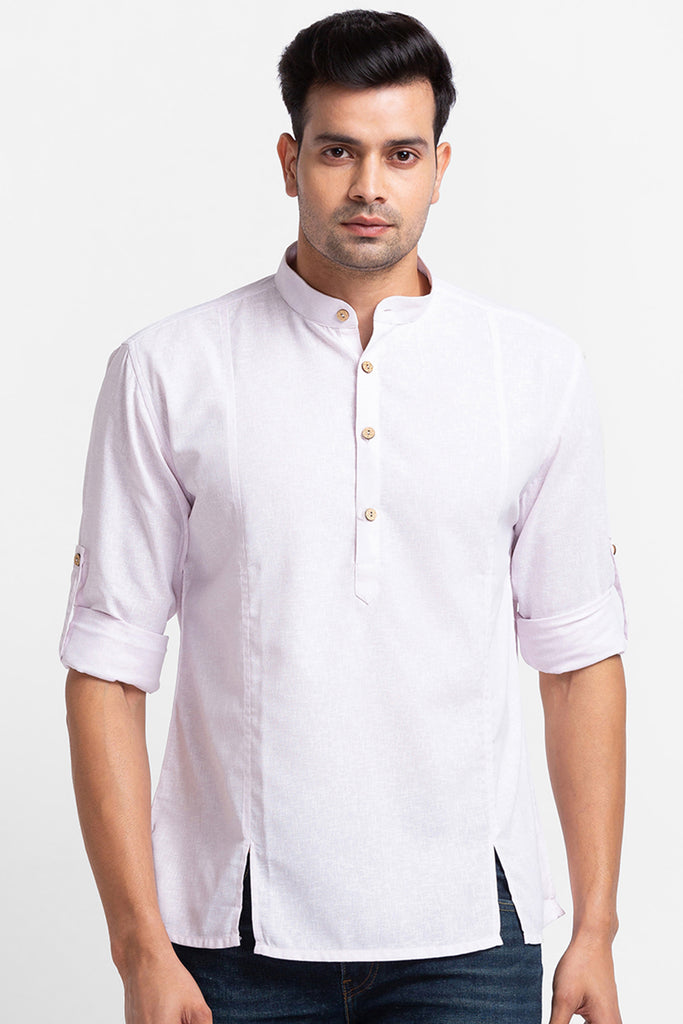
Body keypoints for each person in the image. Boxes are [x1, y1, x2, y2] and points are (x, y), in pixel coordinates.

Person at [61, 10, 627, 1024]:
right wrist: (139, 945)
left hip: (471, 935)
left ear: (439, 168)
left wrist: (593, 927)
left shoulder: (533, 374)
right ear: (290, 161)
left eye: (400, 154)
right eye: (337, 152)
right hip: (229, 937)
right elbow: (108, 664)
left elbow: (579, 660)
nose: (370, 185)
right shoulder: (169, 370)